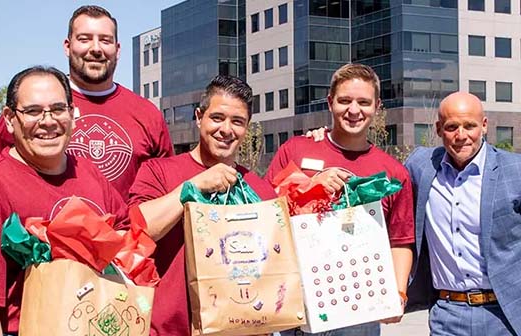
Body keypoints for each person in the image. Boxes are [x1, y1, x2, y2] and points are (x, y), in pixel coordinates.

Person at [0, 66, 128, 336]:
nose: (48, 121)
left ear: (72, 115)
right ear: (10, 119)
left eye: (58, 109)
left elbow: (126, 242)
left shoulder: (88, 172)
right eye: (33, 111)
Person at [265, 63, 414, 336]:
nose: (354, 110)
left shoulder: (393, 173)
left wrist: (398, 292)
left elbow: (400, 241)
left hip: (360, 311)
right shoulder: (296, 150)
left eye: (363, 102)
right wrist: (311, 187)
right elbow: (267, 214)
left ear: (377, 106)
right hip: (300, 309)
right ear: (330, 102)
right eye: (345, 100)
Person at [128, 75, 277, 335]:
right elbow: (139, 231)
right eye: (217, 118)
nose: (226, 129)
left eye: (237, 121)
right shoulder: (159, 171)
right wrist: (192, 187)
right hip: (166, 329)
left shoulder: (259, 188)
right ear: (199, 117)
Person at [0, 5, 173, 200]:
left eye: (105, 40)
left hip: (123, 229)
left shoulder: (147, 113)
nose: (96, 49)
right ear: (67, 46)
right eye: (85, 39)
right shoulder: (28, 109)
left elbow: (166, 189)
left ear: (117, 50)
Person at [405, 92, 521, 335]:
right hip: (447, 315)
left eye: (470, 126)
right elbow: (377, 175)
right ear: (438, 128)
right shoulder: (421, 166)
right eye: (451, 127)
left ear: (485, 126)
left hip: (506, 315)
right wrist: (321, 142)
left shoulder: (515, 171)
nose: (461, 136)